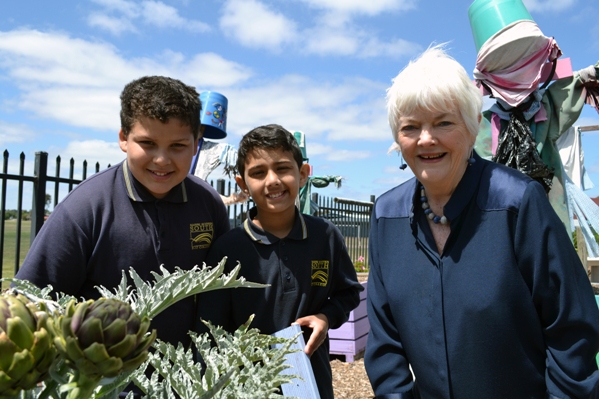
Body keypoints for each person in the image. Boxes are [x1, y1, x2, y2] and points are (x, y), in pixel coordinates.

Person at [364, 45, 599, 399]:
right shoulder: (387, 216)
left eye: (443, 122)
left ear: (473, 127)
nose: (426, 139)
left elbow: (572, 333)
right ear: (398, 140)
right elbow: (384, 344)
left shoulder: (517, 204)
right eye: (411, 127)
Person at [15, 76, 230, 350]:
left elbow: (224, 294)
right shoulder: (86, 207)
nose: (162, 160)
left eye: (178, 146)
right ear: (123, 138)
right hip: (102, 383)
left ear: (196, 142)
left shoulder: (208, 203)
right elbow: (28, 300)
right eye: (148, 143)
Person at [195, 124, 363, 399]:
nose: (272, 180)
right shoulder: (227, 248)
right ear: (242, 184)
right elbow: (209, 331)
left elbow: (348, 293)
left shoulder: (325, 236)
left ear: (303, 174)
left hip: (312, 381)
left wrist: (326, 317)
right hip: (246, 387)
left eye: (282, 168)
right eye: (258, 173)